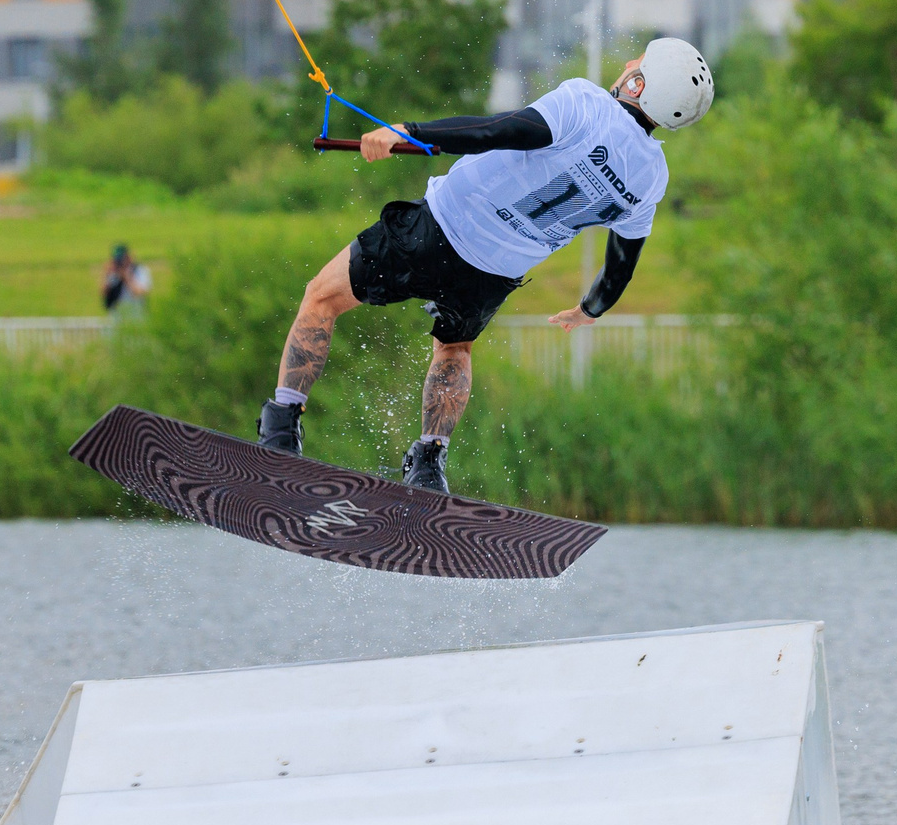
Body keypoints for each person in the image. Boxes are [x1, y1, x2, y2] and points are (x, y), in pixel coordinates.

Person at [258, 38, 713, 493]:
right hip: (494, 274)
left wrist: (410, 130)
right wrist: (589, 309)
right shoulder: (652, 178)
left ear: (637, 82)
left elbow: (496, 130)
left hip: (437, 229)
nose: (629, 63)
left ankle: (281, 430)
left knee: (323, 296)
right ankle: (429, 464)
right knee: (454, 349)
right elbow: (622, 265)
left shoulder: (586, 103)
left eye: (638, 64)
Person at [101, 245, 152, 317]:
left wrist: (126, 277)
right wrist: (106, 274)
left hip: (136, 315)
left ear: (129, 257)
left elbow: (139, 292)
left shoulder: (140, 270)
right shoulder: (113, 273)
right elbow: (104, 293)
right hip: (116, 316)